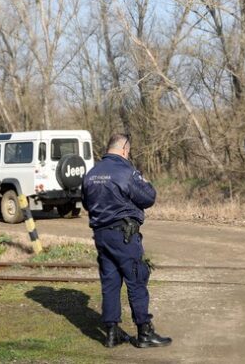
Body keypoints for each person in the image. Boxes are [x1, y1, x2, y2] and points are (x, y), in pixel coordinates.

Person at [81, 133, 172, 348]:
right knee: (136, 279)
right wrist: (145, 181)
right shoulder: (126, 171)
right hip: (124, 236)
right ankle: (144, 333)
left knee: (110, 282)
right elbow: (149, 197)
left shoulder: (91, 174)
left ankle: (111, 334)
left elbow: (86, 203)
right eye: (128, 152)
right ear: (124, 150)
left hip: (101, 236)